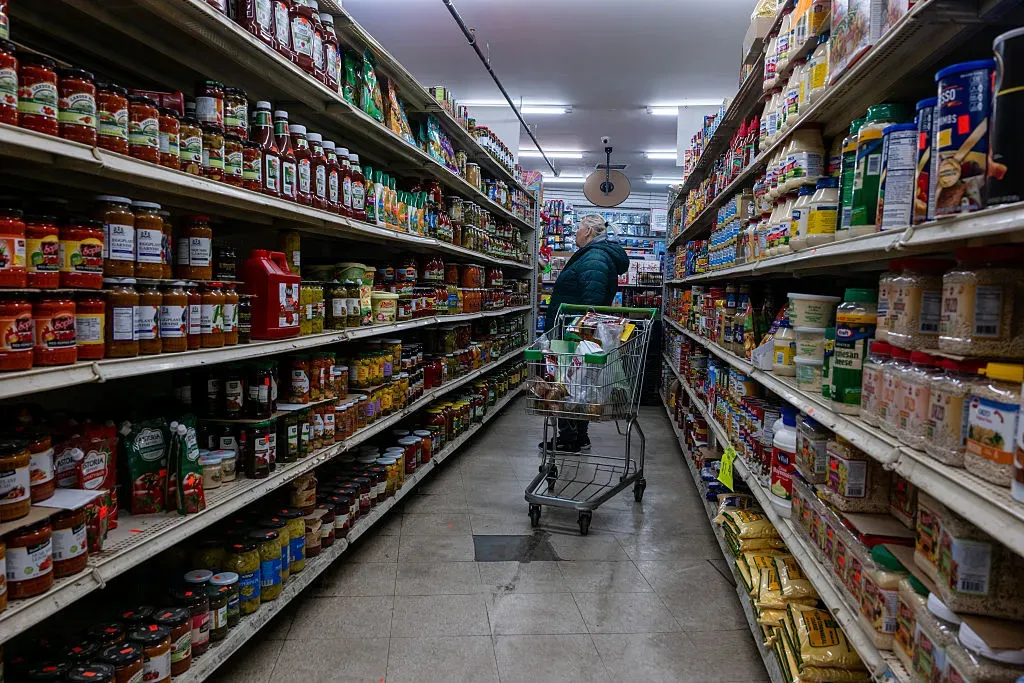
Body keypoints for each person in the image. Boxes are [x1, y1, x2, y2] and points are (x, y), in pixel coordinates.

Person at [541, 213, 629, 452]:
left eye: (578, 228)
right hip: (574, 331)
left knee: (568, 384)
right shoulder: (594, 255)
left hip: (575, 334)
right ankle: (578, 436)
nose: (575, 232)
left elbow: (592, 303)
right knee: (579, 384)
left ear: (589, 231)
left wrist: (581, 333)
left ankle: (570, 437)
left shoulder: (595, 258)